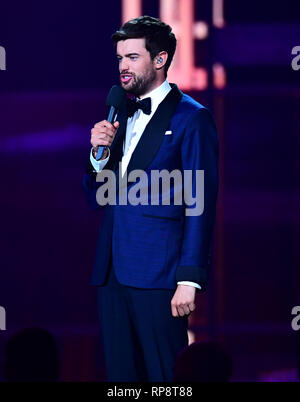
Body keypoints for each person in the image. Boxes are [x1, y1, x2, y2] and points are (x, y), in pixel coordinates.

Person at [82, 15, 219, 382]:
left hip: (159, 274)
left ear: (159, 60)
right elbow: (98, 197)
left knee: (165, 377)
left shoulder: (193, 118)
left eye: (132, 57)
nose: (123, 66)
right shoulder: (119, 113)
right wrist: (98, 155)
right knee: (122, 379)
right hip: (111, 271)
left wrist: (189, 278)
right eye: (120, 59)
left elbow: (200, 204)